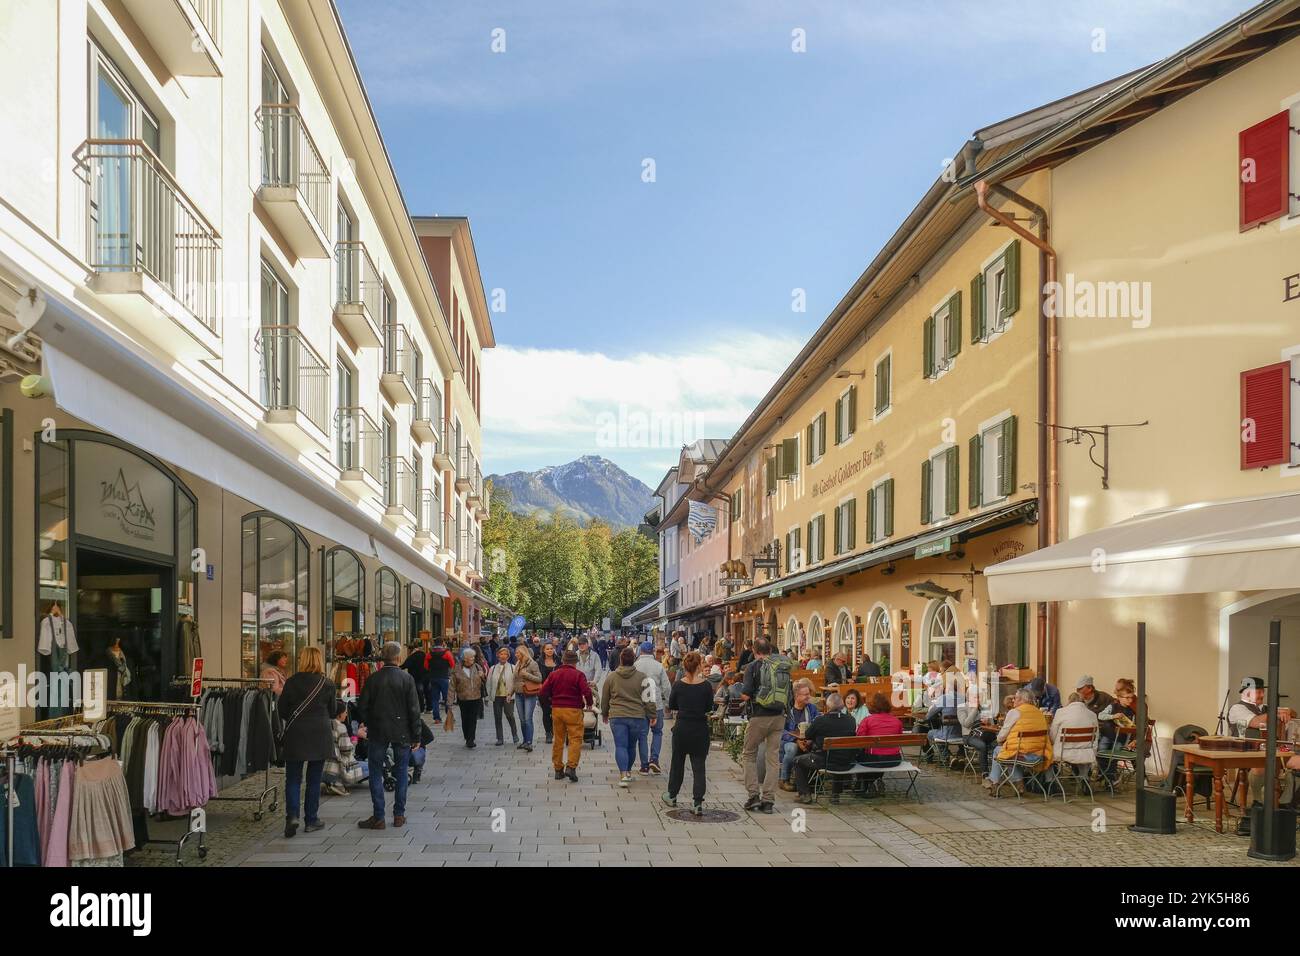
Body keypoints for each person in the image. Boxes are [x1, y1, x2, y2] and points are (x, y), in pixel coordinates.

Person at [357, 641, 422, 830]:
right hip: (402, 731)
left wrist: (368, 722)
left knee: (375, 772)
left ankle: (379, 816)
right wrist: (416, 736)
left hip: (378, 731)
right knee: (401, 772)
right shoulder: (406, 679)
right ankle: (399, 815)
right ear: (398, 657)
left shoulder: (373, 678)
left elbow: (362, 707)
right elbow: (414, 710)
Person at [277, 646, 335, 838]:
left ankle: (292, 816)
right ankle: (311, 820)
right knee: (314, 779)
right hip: (319, 734)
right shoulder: (327, 684)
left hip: (296, 734)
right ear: (319, 661)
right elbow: (333, 711)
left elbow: (282, 710)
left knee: (293, 778)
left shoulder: (292, 682)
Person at [1227, 676, 1295, 835]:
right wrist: (1276, 712)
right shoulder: (1237, 709)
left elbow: (1291, 712)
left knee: (1294, 764)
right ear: (1246, 693)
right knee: (1261, 766)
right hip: (1246, 751)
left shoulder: (1265, 707)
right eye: (1257, 692)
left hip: (1272, 750)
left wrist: (1288, 711)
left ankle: (1283, 804)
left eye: (1262, 691)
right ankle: (1259, 802)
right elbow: (1256, 722)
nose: (1261, 695)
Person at [740, 637, 792, 813]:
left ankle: (753, 796)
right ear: (770, 650)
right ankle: (768, 800)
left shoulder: (753, 667)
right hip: (779, 716)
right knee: (773, 758)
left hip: (759, 716)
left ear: (754, 651)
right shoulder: (782, 666)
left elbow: (746, 694)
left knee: (749, 754)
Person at [663, 651, 713, 814]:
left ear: (684, 666)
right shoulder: (706, 686)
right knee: (699, 766)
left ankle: (672, 795)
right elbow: (709, 707)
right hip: (700, 729)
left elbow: (672, 705)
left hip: (682, 728)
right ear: (699, 666)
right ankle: (697, 802)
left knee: (677, 763)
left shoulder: (678, 685)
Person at [601, 647, 658, 787]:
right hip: (637, 717)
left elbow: (605, 698)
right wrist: (652, 714)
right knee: (631, 746)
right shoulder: (643, 677)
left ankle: (623, 774)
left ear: (621, 659)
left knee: (620, 746)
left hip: (617, 716)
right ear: (634, 660)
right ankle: (628, 772)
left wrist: (605, 713)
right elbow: (649, 699)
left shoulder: (611, 677)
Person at [793, 692, 859, 804]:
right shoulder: (851, 720)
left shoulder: (821, 720)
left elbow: (808, 735)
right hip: (846, 761)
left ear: (828, 706)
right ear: (842, 705)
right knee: (838, 754)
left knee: (798, 761)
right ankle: (835, 795)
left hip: (824, 761)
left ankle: (805, 794)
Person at [539, 649, 594, 782]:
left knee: (558, 740)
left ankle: (558, 769)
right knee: (575, 739)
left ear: (562, 661)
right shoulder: (578, 675)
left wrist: (550, 702)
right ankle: (571, 767)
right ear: (575, 662)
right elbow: (586, 691)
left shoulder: (554, 674)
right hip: (574, 710)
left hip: (557, 710)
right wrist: (590, 703)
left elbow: (542, 692)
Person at [985, 687, 1053, 793]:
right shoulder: (1040, 713)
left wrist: (1003, 739)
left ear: (1022, 700)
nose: (1013, 700)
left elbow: (1000, 737)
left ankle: (995, 782)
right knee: (1009, 752)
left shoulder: (1015, 712)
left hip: (1022, 754)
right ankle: (1018, 784)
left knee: (1000, 750)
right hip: (1038, 754)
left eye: (1015, 698)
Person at [634, 640, 672, 775]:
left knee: (642, 735)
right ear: (652, 652)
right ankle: (654, 759)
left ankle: (644, 766)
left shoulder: (635, 665)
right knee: (657, 732)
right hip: (656, 705)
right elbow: (667, 687)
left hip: (640, 705)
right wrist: (670, 703)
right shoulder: (659, 666)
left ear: (641, 652)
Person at [856, 692, 905, 786]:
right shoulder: (897, 721)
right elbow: (899, 738)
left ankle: (866, 783)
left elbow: (860, 739)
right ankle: (876, 779)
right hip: (894, 759)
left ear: (872, 706)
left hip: (873, 759)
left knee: (859, 755)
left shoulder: (867, 720)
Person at [1049, 692, 1100, 781]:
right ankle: (1084, 777)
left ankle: (1051, 780)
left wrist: (1052, 743)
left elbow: (1053, 733)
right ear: (1083, 701)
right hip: (1086, 752)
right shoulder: (1092, 714)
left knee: (1048, 750)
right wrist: (1093, 749)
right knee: (1083, 750)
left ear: (1069, 701)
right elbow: (1096, 736)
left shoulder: (1060, 712)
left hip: (1063, 752)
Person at [779, 679, 819, 792]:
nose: (808, 696)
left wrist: (810, 740)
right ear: (796, 696)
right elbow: (780, 730)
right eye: (805, 694)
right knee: (792, 748)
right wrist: (795, 740)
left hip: (807, 739)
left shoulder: (812, 709)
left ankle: (808, 781)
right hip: (786, 741)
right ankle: (783, 779)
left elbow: (817, 724)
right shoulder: (786, 709)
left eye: (808, 694)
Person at [323, 699, 366, 796]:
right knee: (369, 767)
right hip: (338, 766)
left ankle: (333, 782)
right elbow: (346, 750)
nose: (346, 715)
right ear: (339, 714)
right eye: (345, 712)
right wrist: (353, 744)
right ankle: (337, 783)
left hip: (324, 766)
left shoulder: (325, 724)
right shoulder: (341, 727)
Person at [449, 647, 486, 748]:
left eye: (473, 658)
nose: (472, 660)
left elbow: (485, 681)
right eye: (470, 658)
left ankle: (471, 739)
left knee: (473, 719)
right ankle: (467, 736)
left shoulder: (478, 667)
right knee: (465, 719)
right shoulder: (457, 669)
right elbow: (452, 686)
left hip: (475, 698)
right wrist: (449, 702)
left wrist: (483, 676)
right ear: (465, 659)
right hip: (463, 698)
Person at [486, 646, 520, 746]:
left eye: (505, 654)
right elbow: (488, 683)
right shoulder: (492, 668)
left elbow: (515, 682)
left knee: (509, 715)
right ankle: (500, 738)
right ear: (498, 656)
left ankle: (514, 734)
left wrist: (513, 694)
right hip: (497, 696)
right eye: (501, 654)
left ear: (508, 656)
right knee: (497, 717)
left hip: (508, 696)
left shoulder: (513, 668)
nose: (503, 656)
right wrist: (487, 697)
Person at [513, 645, 542, 752]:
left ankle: (529, 742)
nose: (516, 655)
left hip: (529, 694)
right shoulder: (517, 664)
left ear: (523, 653)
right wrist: (510, 693)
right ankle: (524, 741)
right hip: (518, 694)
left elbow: (539, 679)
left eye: (518, 653)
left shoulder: (532, 664)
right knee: (521, 719)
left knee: (527, 718)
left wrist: (526, 675)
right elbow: (514, 680)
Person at [425, 636, 455, 721]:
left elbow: (426, 666)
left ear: (434, 643)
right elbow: (452, 664)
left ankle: (437, 718)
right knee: (447, 698)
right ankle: (449, 716)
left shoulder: (429, 653)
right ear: (442, 643)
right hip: (444, 677)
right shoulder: (447, 653)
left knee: (435, 698)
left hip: (433, 677)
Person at [537, 642, 559, 744]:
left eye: (551, 648)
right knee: (546, 712)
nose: (550, 650)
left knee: (555, 713)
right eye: (547, 649)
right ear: (544, 650)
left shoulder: (558, 661)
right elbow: (536, 675)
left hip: (557, 691)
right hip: (544, 691)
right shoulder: (539, 662)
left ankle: (555, 731)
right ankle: (548, 733)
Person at [402, 642, 433, 713]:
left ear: (410, 650)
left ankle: (421, 708)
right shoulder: (424, 654)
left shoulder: (412, 656)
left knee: (419, 693)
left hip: (417, 677)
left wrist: (397, 667)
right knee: (428, 692)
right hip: (427, 676)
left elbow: (405, 665)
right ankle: (429, 708)